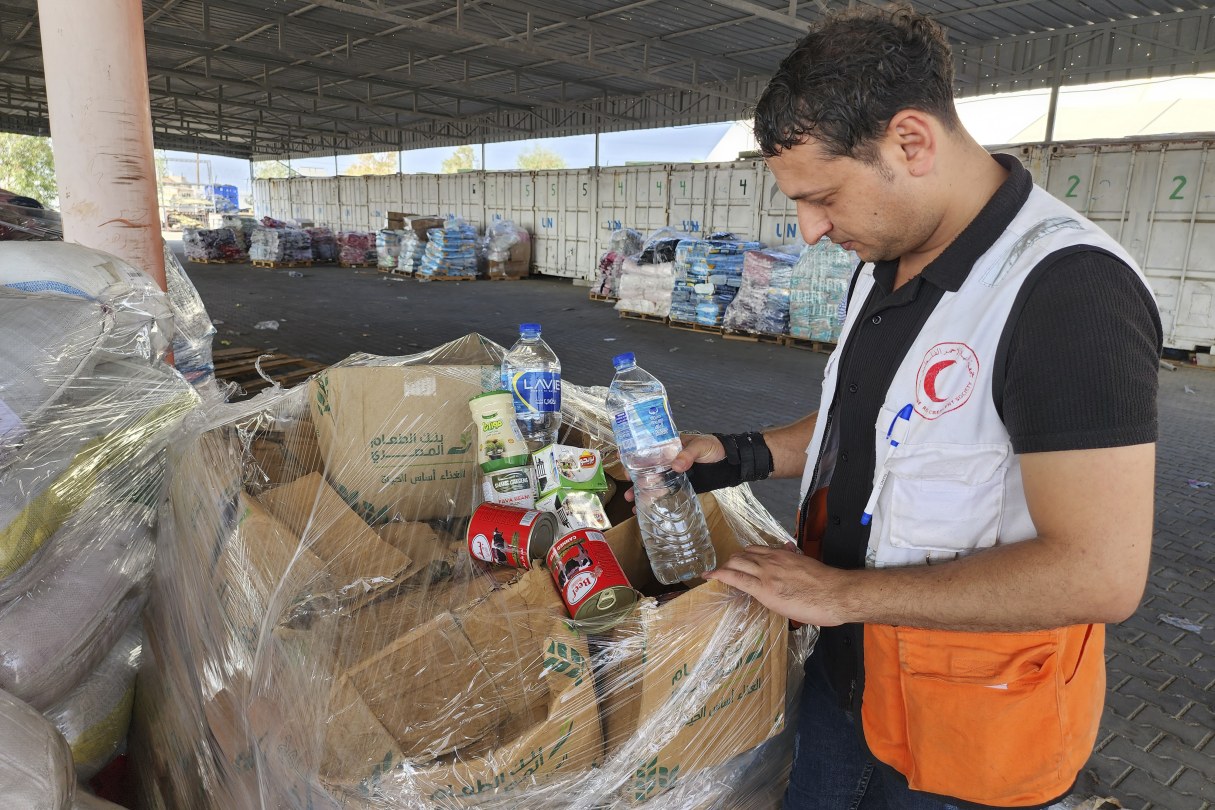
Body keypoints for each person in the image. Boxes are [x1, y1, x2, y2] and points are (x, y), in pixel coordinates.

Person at [666, 5, 1161, 809]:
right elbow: (881, 431)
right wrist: (744, 454)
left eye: (822, 196)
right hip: (849, 680)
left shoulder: (1065, 292)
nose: (810, 230)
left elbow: (1099, 573)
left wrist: (839, 595)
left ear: (911, 141)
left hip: (972, 717)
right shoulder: (884, 260)